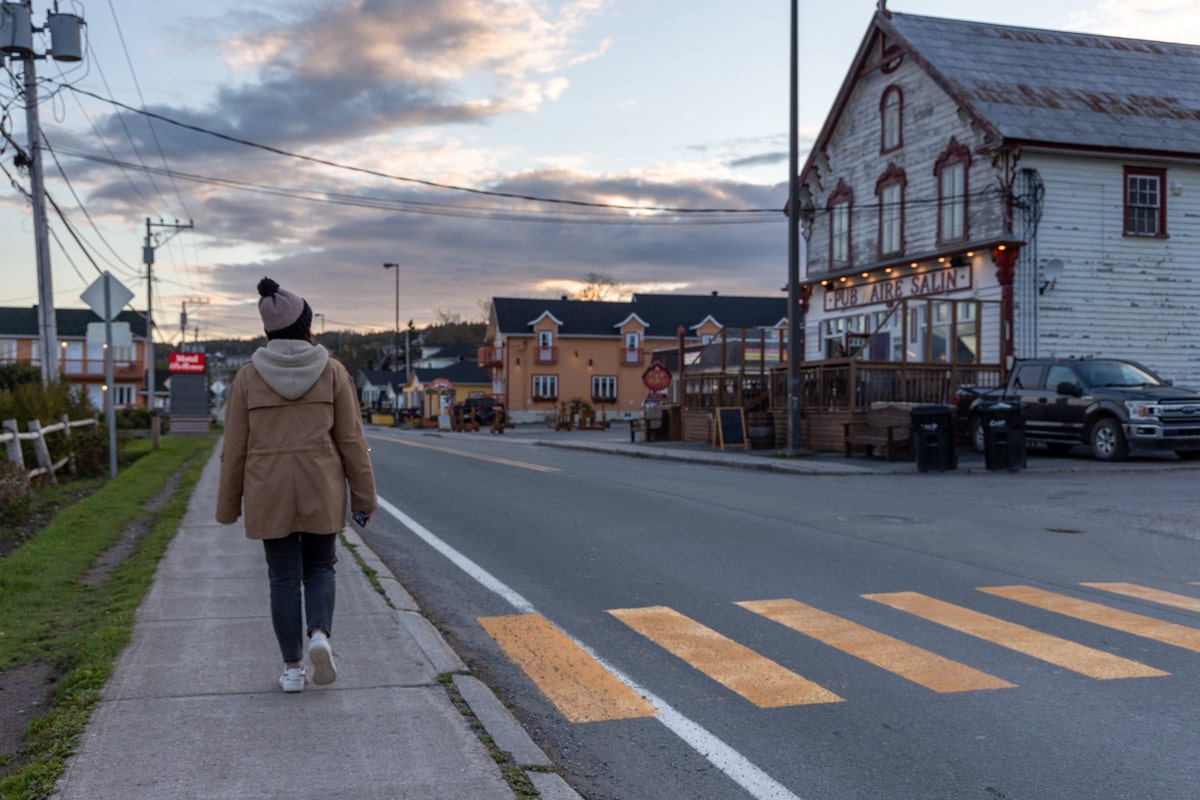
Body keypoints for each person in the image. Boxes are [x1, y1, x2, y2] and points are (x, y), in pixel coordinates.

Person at [216, 277, 377, 693]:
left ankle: (292, 669)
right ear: (306, 325)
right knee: (321, 566)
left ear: (268, 331)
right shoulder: (333, 371)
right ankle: (320, 635)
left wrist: (228, 505)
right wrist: (364, 496)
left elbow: (234, 448)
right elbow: (352, 442)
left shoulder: (248, 378)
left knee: (283, 578)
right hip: (321, 485)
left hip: (268, 491)